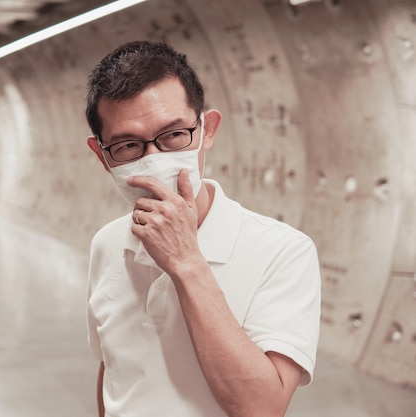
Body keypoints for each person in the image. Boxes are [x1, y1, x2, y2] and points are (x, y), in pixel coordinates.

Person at [84, 40, 321, 417]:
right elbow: (113, 371)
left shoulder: (283, 252)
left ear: (206, 130)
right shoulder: (107, 244)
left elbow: (262, 409)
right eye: (128, 145)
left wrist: (186, 263)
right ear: (102, 156)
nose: (154, 160)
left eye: (174, 135)